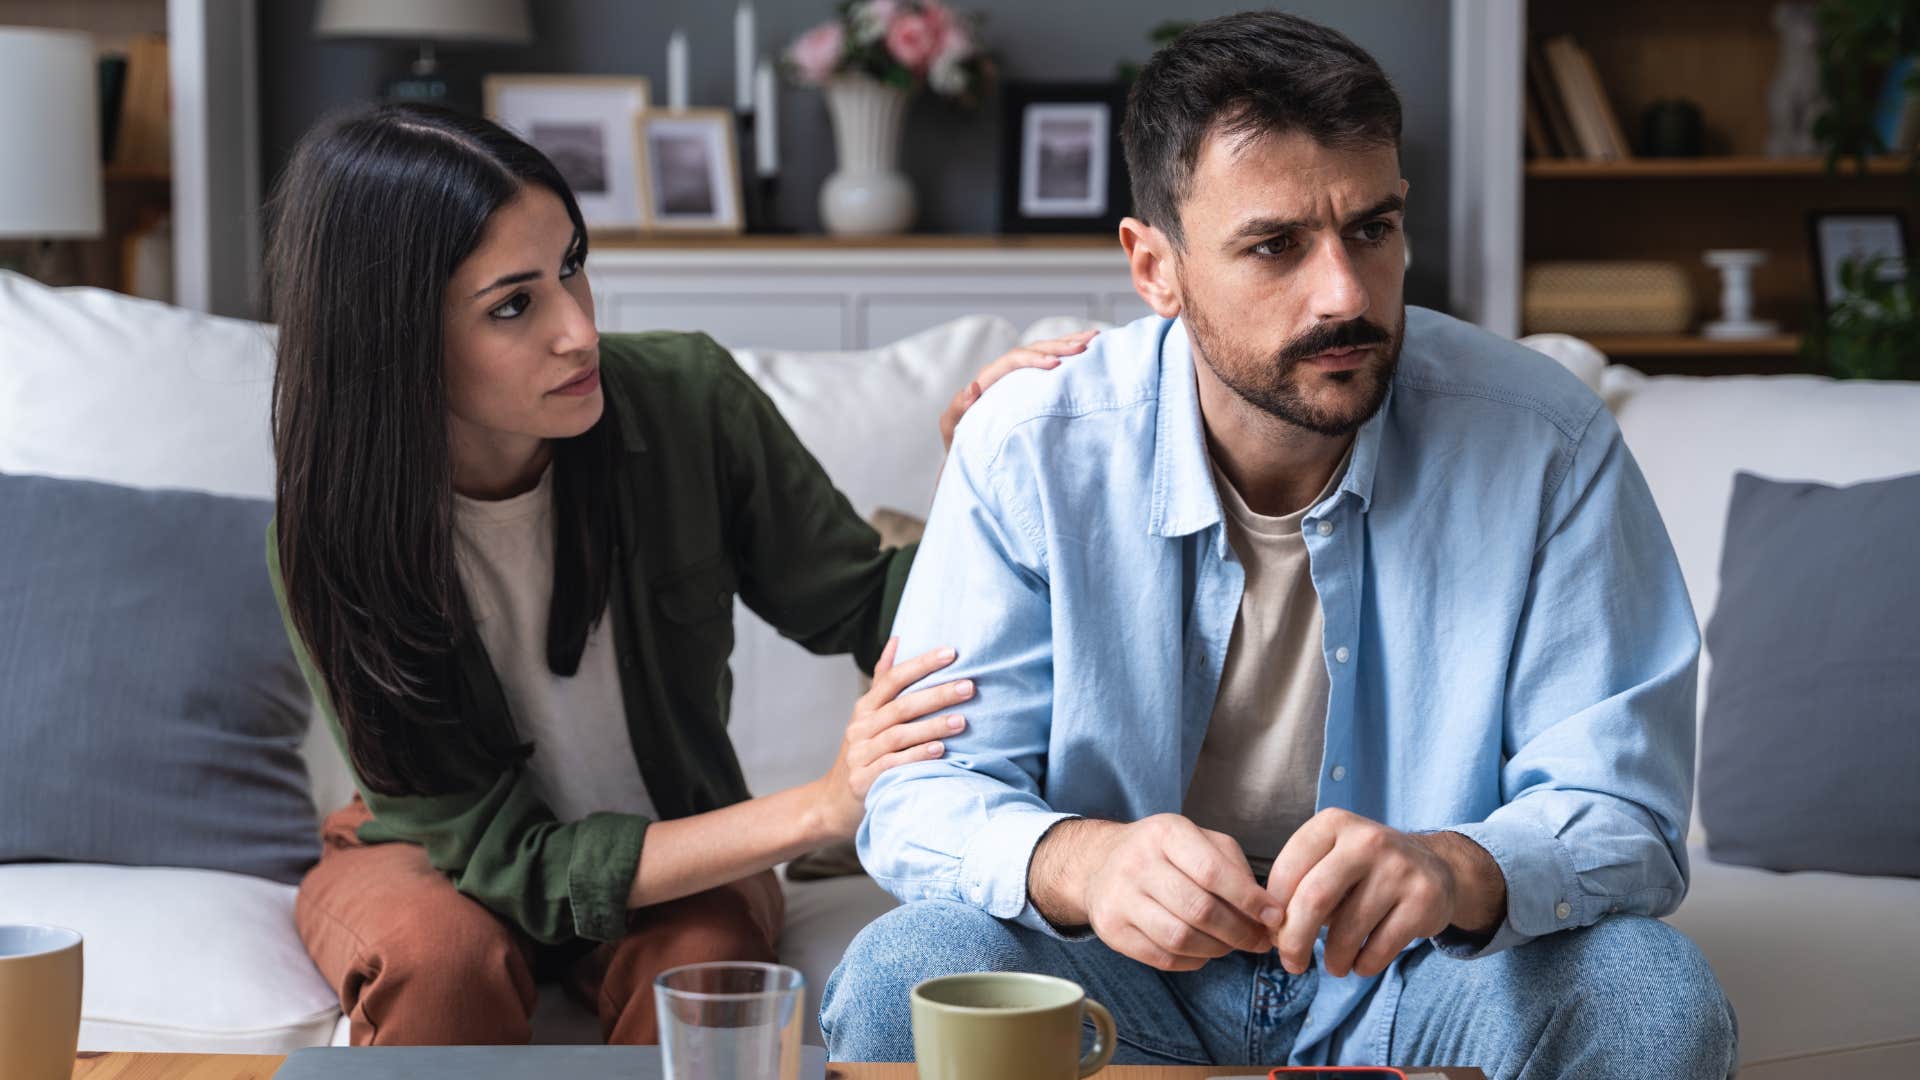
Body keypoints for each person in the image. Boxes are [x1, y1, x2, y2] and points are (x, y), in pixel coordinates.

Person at [824, 12, 1737, 1079]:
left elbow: (1626, 809)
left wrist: (1456, 866)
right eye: (1275, 245)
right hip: (1113, 971)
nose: (1346, 293)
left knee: (1648, 991)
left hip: (1421, 969)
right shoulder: (1031, 451)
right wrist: (1086, 861)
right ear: (1154, 267)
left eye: (1373, 229)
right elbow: (921, 794)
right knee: (909, 971)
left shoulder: (1549, 442)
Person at [263, 102, 1093, 1046]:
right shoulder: (333, 540)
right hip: (435, 856)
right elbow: (515, 865)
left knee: (699, 973)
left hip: (680, 840)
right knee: (440, 964)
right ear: (394, 341)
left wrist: (982, 472)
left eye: (571, 267)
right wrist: (822, 805)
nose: (578, 331)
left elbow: (867, 607)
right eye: (513, 305)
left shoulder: (687, 402)